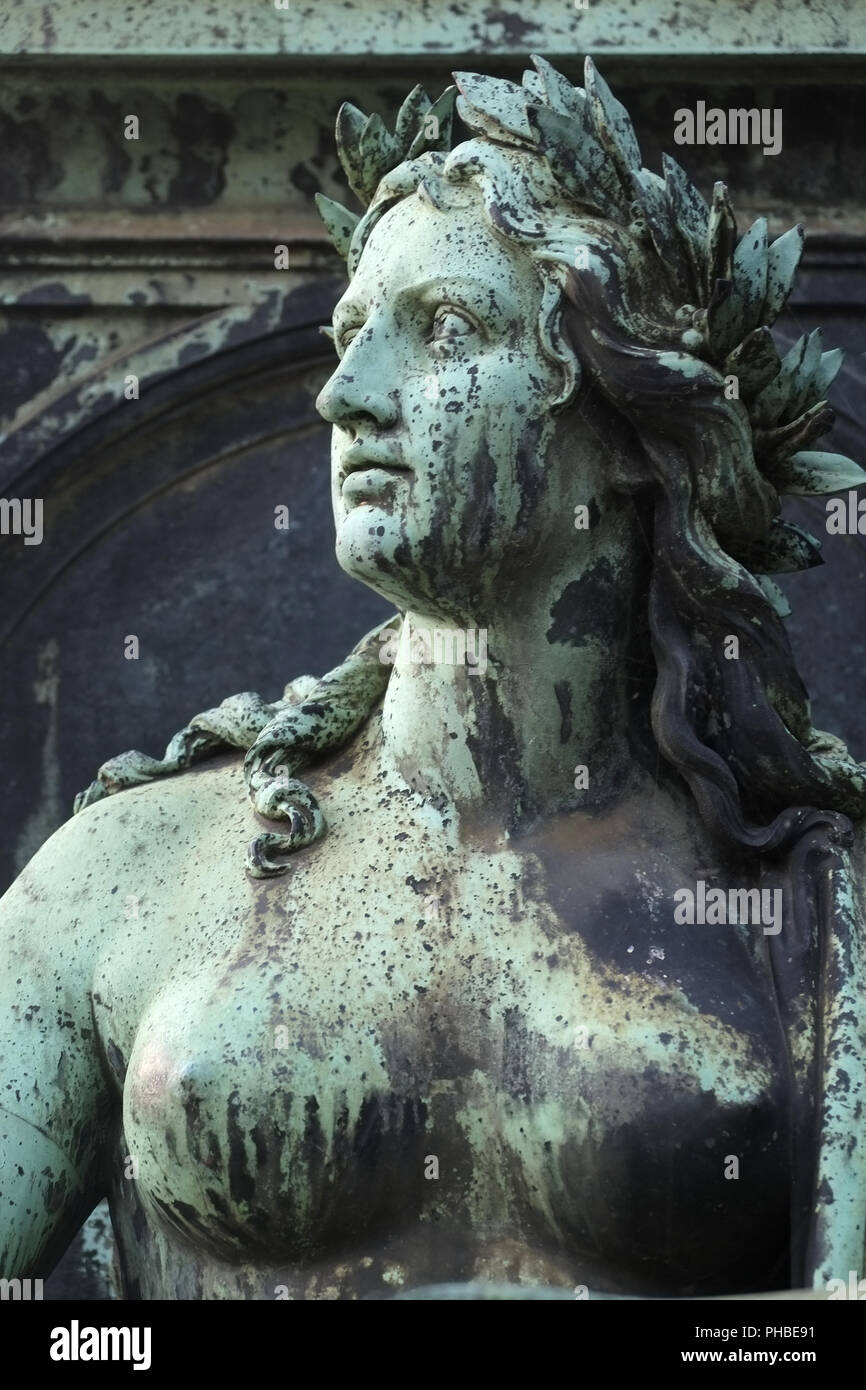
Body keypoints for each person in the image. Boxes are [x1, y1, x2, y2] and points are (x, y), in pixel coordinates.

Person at [1, 56, 864, 1301]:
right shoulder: (125, 876)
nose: (344, 394)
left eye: (442, 330)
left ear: (631, 427)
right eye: (352, 336)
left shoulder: (810, 911)